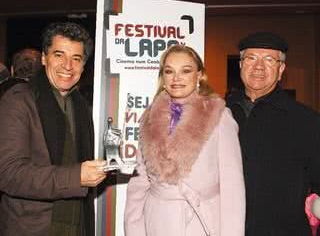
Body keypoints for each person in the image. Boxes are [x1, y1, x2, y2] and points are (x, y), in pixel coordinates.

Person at [124, 44, 245, 236]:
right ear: (163, 78)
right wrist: (134, 229)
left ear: (199, 76)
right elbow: (139, 183)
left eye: (185, 71)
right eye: (169, 71)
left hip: (199, 222)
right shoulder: (149, 117)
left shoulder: (219, 116)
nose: (176, 78)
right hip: (156, 222)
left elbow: (233, 187)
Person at [0, 22, 107, 236]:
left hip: (77, 225)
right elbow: (9, 174)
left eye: (76, 58)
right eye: (59, 55)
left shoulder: (80, 105)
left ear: (83, 65)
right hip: (32, 228)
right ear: (43, 58)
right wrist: (75, 177)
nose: (68, 66)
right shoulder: (19, 101)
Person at [226, 31, 320, 235]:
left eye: (269, 59)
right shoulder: (218, 114)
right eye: (251, 58)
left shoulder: (307, 121)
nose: (258, 66)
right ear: (241, 65)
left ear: (281, 69)